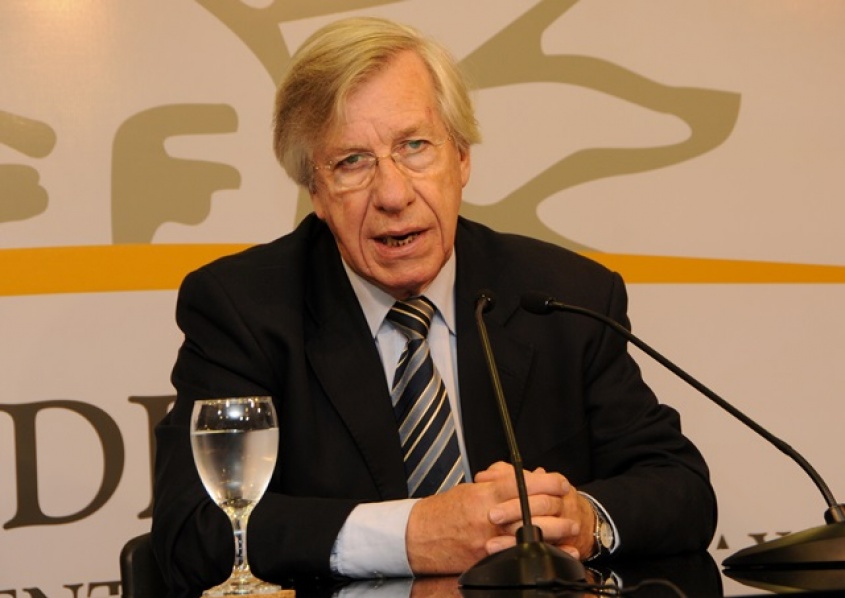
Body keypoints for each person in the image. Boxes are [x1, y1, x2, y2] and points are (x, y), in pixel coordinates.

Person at [151, 16, 716, 597]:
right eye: (352, 162)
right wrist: (413, 532)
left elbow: (680, 487)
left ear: (462, 159)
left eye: (414, 146)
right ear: (315, 193)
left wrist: (584, 520)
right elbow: (191, 531)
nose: (393, 195)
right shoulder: (243, 308)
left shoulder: (564, 294)